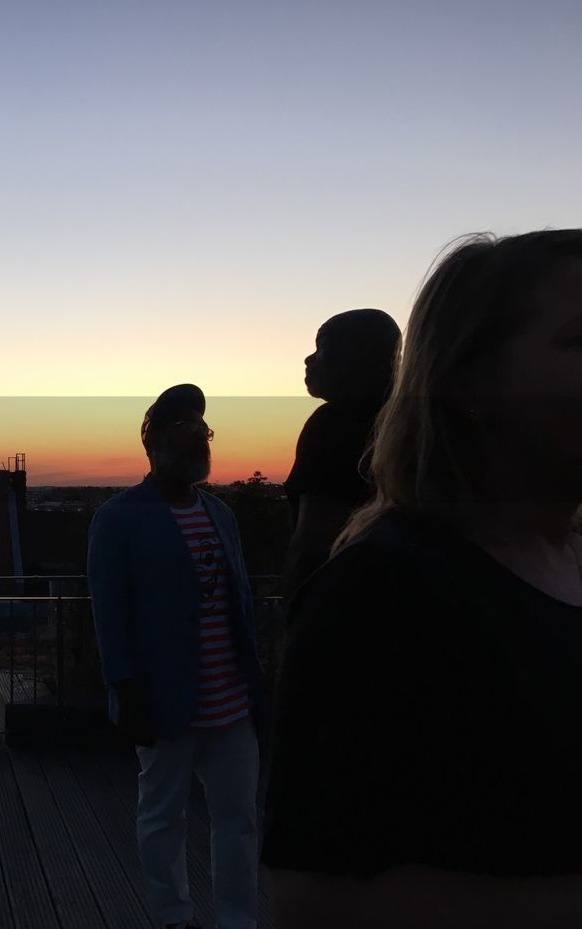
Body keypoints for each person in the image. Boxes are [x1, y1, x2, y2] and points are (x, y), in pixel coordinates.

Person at [262, 230, 582, 928]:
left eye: (324, 350)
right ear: (472, 385)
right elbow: (313, 899)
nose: (310, 363)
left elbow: (308, 538)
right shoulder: (381, 600)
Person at [88, 384, 264, 929]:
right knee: (163, 816)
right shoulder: (118, 519)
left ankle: (237, 919)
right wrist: (127, 690)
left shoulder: (219, 513)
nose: (200, 442)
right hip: (165, 700)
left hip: (230, 699)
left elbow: (241, 602)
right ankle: (172, 917)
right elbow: (109, 613)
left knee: (238, 819)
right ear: (155, 442)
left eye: (204, 432)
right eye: (188, 432)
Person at [282, 309, 400, 601]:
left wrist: (297, 617)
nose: (309, 359)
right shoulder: (418, 421)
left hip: (348, 605)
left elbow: (313, 542)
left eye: (323, 347)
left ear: (357, 358)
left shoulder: (333, 423)